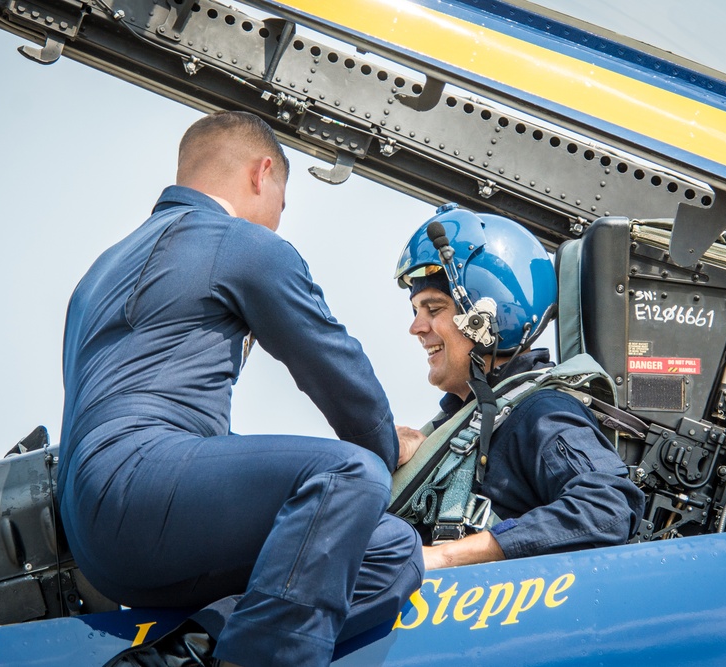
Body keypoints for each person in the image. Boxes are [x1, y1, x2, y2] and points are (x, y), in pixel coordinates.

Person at [57, 110, 423, 667]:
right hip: (138, 486)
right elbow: (331, 361)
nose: (278, 219)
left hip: (98, 537)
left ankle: (188, 654)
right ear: (262, 173)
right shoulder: (238, 243)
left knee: (390, 549)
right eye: (282, 198)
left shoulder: (103, 268)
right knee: (350, 474)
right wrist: (385, 453)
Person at [393, 204, 645, 570]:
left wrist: (445, 555)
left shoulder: (539, 411)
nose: (416, 328)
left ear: (488, 319)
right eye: (416, 310)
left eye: (433, 308)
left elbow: (606, 508)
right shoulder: (468, 421)